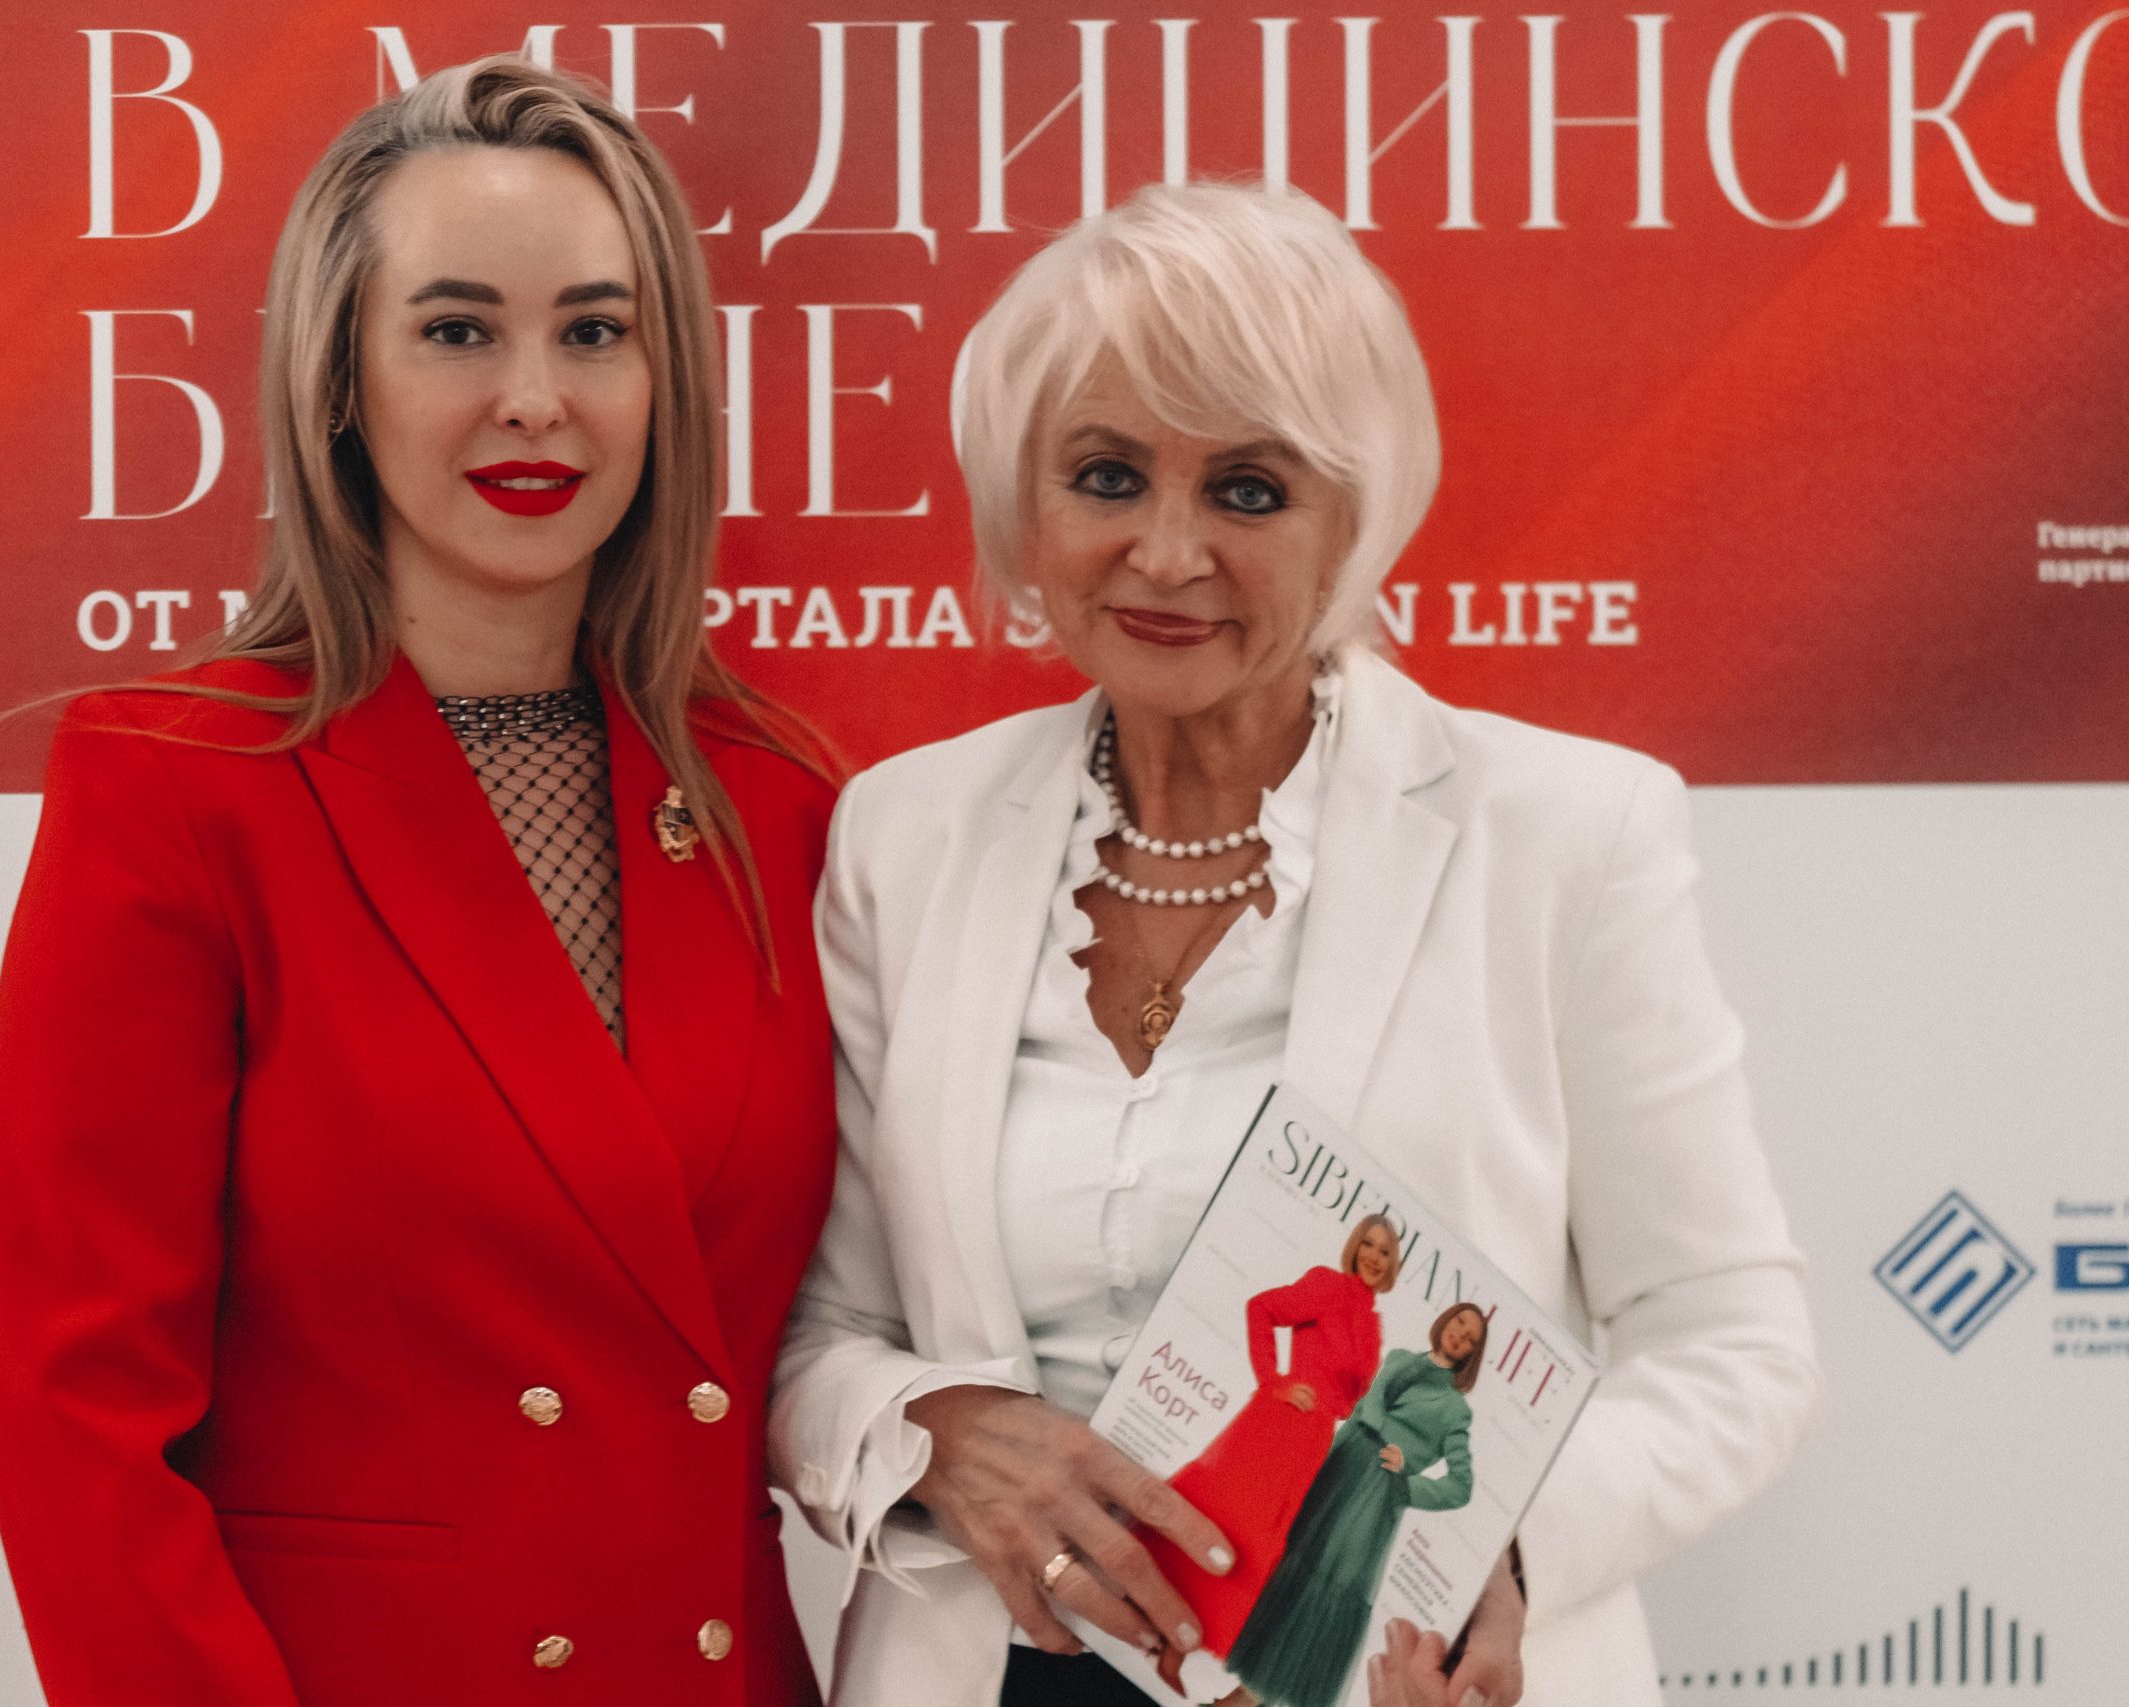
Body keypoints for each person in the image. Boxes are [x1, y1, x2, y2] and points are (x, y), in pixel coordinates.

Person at [770, 180, 1819, 1707]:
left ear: (1352, 523)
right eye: (1107, 475)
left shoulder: (1567, 835)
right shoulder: (903, 837)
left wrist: (1498, 1545)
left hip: (1387, 1663)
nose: (1166, 551)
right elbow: (822, 1331)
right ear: (1025, 503)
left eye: (1249, 490)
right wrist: (935, 1431)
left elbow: (1732, 1335)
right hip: (998, 1672)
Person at [0, 59, 835, 1707]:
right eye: (456, 331)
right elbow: (72, 1413)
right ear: (339, 379)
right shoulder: (179, 782)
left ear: (666, 380)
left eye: (596, 331)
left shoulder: (779, 800)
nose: (536, 399)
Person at [1148, 1214, 1399, 1676]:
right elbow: (1261, 1307)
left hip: (1315, 1438)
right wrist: (1274, 1381)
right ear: (1354, 1246)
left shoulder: (1371, 1323)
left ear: (1393, 1263)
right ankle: (1162, 1631)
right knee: (1232, 1512)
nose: (1374, 1257)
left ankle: (1179, 1644)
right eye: (1368, 1244)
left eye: (1385, 1251)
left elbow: (1354, 1396)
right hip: (1282, 1419)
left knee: (1261, 1537)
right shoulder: (1327, 1285)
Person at [1225, 1303, 1485, 1707]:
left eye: (1470, 1339)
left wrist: (1404, 1484)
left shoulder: (1455, 1410)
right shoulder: (1399, 1359)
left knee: (1329, 1580)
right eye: (1459, 1323)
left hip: (1375, 1495)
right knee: (1292, 1557)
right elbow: (1363, 1411)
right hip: (1339, 1468)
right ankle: (1242, 1692)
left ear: (1472, 1353)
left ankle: (1251, 1697)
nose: (1460, 1336)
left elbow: (1460, 1487)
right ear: (1445, 1321)